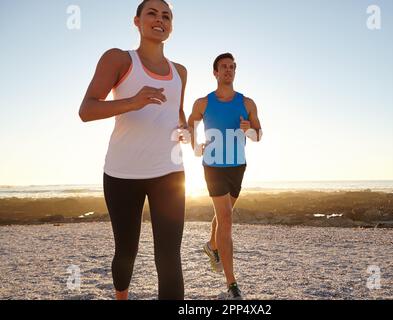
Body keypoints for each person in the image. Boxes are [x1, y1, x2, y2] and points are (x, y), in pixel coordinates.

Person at [78, 0, 189, 300]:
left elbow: (177, 110)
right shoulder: (118, 60)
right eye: (151, 13)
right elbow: (86, 110)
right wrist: (133, 102)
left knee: (169, 258)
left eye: (166, 16)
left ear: (171, 26)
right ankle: (121, 295)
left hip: (170, 173)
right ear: (137, 21)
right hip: (121, 173)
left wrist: (184, 129)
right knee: (126, 252)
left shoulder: (180, 71)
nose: (160, 19)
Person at [188, 53, 263, 300]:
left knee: (223, 216)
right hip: (213, 166)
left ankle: (211, 246)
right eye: (224, 67)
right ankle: (232, 284)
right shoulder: (204, 102)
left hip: (237, 166)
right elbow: (191, 122)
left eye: (232, 67)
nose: (228, 70)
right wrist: (195, 146)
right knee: (227, 219)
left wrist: (249, 130)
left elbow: (259, 133)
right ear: (215, 73)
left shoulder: (247, 102)